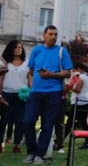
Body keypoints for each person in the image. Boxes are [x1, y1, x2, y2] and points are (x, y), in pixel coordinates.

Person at [22, 25, 73, 165]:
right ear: (44, 35)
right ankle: (31, 151)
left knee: (47, 125)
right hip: (36, 92)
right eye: (50, 34)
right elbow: (31, 72)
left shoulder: (62, 51)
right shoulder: (36, 50)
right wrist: (32, 84)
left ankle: (40, 154)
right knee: (27, 121)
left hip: (54, 93)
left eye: (55, 34)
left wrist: (52, 75)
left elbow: (68, 73)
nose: (53, 37)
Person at [0, 40, 29, 153]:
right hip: (7, 94)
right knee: (4, 121)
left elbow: (30, 78)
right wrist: (0, 95)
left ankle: (16, 145)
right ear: (11, 48)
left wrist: (32, 92)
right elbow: (0, 79)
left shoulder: (27, 62)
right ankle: (1, 143)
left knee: (20, 121)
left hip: (22, 95)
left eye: (20, 47)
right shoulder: (5, 63)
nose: (19, 49)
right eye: (16, 47)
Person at [64, 63, 88, 149]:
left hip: (81, 103)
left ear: (79, 69)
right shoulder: (86, 77)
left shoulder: (82, 77)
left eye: (74, 70)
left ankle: (60, 140)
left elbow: (77, 90)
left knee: (71, 122)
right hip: (82, 102)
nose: (73, 72)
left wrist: (68, 85)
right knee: (82, 123)